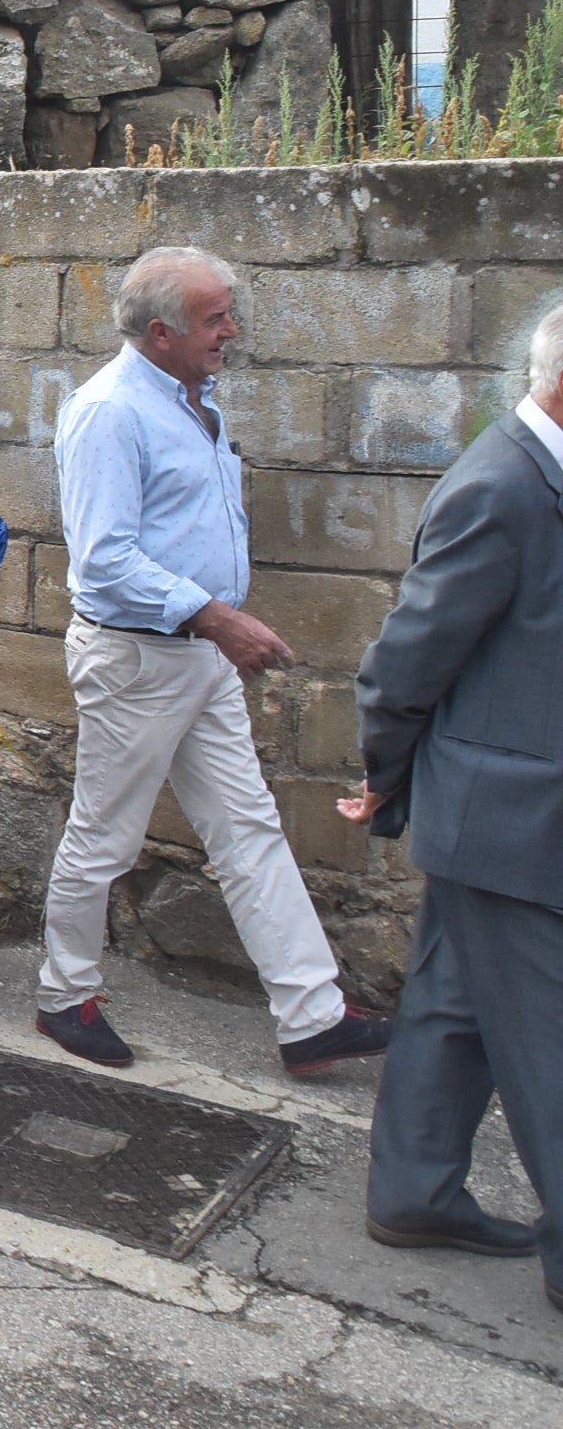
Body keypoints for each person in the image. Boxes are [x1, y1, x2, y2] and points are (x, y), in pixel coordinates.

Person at [40, 246, 385, 1074]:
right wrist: (217, 617)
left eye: (228, 312)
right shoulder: (110, 412)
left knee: (249, 827)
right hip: (136, 659)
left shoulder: (198, 402)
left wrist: (213, 626)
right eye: (216, 318)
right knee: (105, 835)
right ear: (161, 332)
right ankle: (64, 996)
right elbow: (105, 558)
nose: (232, 330)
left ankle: (313, 1016)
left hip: (194, 654)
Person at [352, 302, 563, 1275]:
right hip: (508, 821)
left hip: (503, 814)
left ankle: (413, 1189)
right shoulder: (502, 484)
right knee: (544, 1040)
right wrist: (381, 772)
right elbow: (408, 656)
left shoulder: (536, 477)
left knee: (450, 1003)